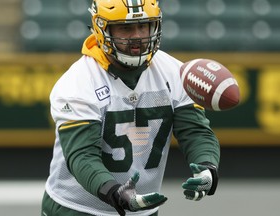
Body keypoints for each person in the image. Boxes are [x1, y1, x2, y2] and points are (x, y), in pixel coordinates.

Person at [41, 0, 220, 215]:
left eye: (143, 26)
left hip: (142, 209)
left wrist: (207, 168)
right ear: (101, 28)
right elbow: (82, 156)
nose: (137, 36)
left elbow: (195, 131)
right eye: (126, 28)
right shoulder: (78, 82)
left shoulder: (175, 72)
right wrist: (116, 193)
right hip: (77, 208)